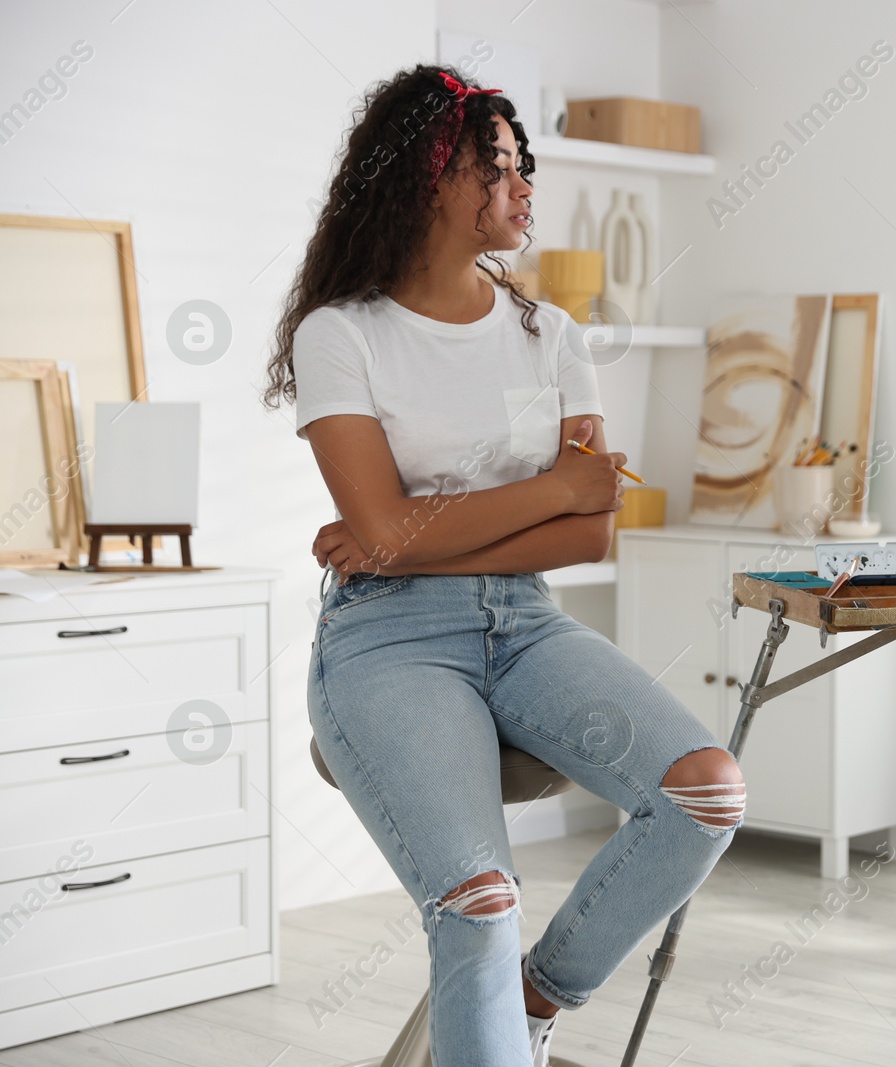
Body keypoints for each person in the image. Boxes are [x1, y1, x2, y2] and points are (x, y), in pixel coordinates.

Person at [260, 64, 746, 1067]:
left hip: (525, 624)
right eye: (500, 169)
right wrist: (556, 486)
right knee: (477, 896)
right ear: (430, 177)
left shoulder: (550, 332)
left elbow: (588, 535)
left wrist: (422, 525)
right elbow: (395, 537)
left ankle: (536, 992)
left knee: (705, 789)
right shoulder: (340, 333)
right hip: (387, 638)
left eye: (525, 169)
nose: (525, 190)